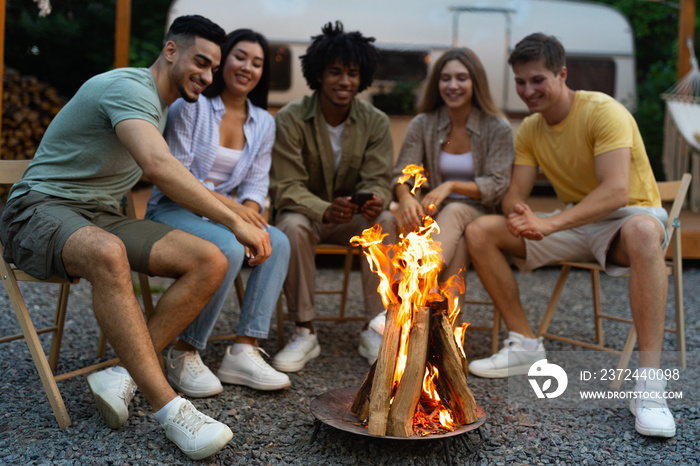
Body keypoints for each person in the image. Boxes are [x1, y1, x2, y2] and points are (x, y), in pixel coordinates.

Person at [0, 15, 272, 460]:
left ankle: (122, 373)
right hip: (38, 209)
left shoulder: (164, 105)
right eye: (198, 62)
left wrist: (236, 216)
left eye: (211, 68)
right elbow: (158, 166)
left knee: (211, 260)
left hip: (100, 213)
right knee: (109, 253)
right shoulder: (128, 88)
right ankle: (171, 410)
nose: (205, 76)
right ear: (170, 51)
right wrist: (235, 221)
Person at [465, 33, 676, 438]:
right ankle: (525, 344)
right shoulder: (530, 129)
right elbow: (514, 195)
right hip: (576, 223)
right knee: (481, 230)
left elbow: (615, 191)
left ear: (562, 74)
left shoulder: (602, 111)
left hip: (627, 217)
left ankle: (650, 387)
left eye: (538, 80)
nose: (528, 91)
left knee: (646, 231)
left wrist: (549, 223)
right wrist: (519, 214)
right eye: (521, 82)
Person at [145, 29, 291, 396]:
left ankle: (244, 348)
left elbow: (256, 185)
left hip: (225, 217)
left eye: (257, 63)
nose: (247, 67)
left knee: (279, 241)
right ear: (223, 60)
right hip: (173, 209)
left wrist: (252, 216)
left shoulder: (264, 122)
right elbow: (179, 176)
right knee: (227, 246)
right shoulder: (190, 106)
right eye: (240, 57)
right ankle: (184, 351)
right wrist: (234, 214)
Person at [269, 21, 395, 370]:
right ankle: (304, 331)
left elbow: (380, 179)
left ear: (362, 76)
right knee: (291, 225)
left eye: (353, 73)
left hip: (351, 220)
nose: (345, 81)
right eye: (335, 72)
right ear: (319, 75)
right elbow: (285, 185)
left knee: (385, 219)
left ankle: (378, 327)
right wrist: (324, 209)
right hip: (308, 216)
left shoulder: (376, 121)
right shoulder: (291, 118)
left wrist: (377, 198)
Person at [392, 48, 513, 288]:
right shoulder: (424, 123)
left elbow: (498, 186)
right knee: (455, 248)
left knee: (456, 209)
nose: (452, 85)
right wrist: (406, 199)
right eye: (445, 78)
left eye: (461, 78)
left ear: (475, 82)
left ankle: (413, 285)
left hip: (482, 213)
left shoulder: (497, 127)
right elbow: (404, 172)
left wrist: (451, 185)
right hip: (439, 214)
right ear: (437, 83)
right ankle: (446, 324)